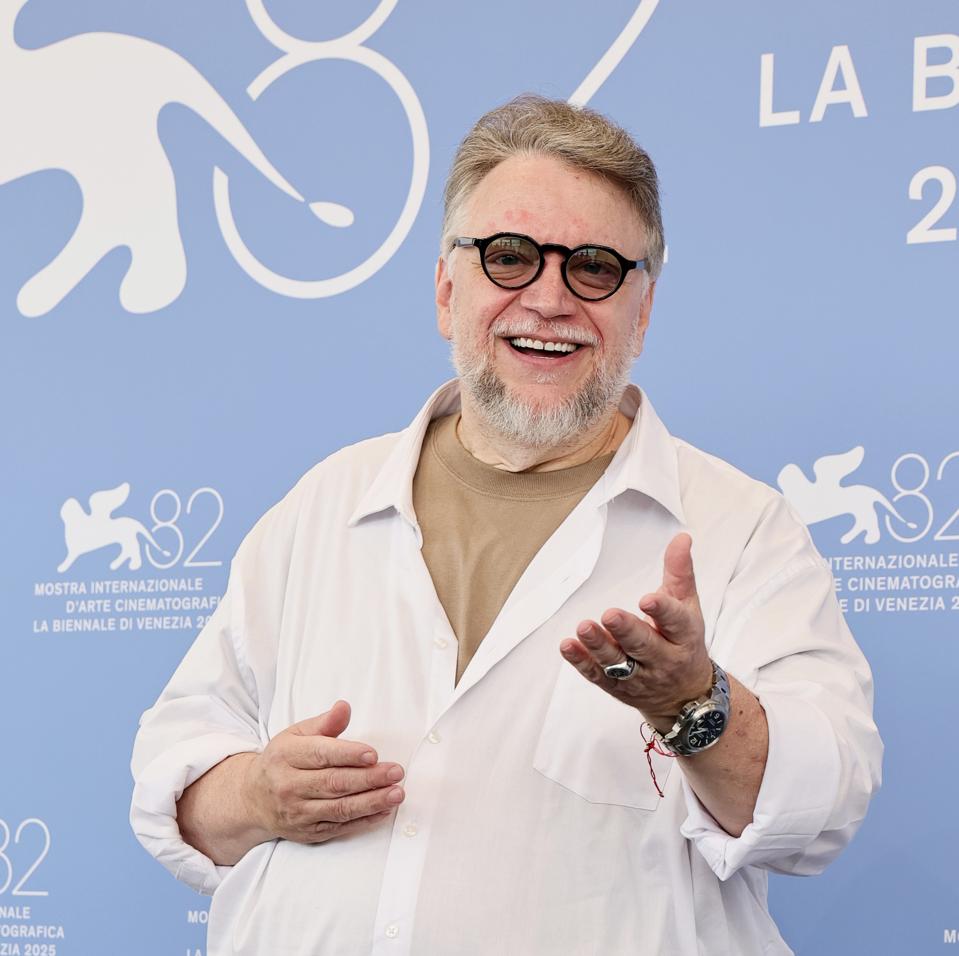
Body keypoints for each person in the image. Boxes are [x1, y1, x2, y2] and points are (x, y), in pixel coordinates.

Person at [130, 95, 882, 956]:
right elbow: (176, 775)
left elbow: (821, 812)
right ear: (448, 290)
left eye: (594, 266)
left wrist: (692, 705)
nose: (549, 298)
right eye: (510, 257)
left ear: (641, 310)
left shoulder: (739, 528)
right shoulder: (322, 504)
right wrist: (258, 795)